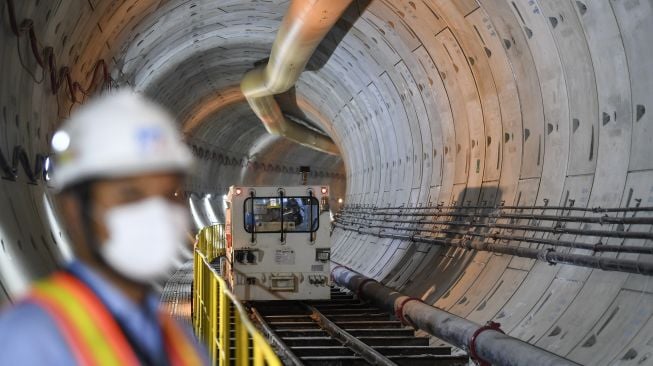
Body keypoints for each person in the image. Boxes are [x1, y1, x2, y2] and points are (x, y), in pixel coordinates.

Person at [0, 91, 208, 365]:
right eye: (130, 195)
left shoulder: (178, 335)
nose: (156, 214)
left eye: (171, 194)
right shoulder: (28, 339)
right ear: (74, 209)